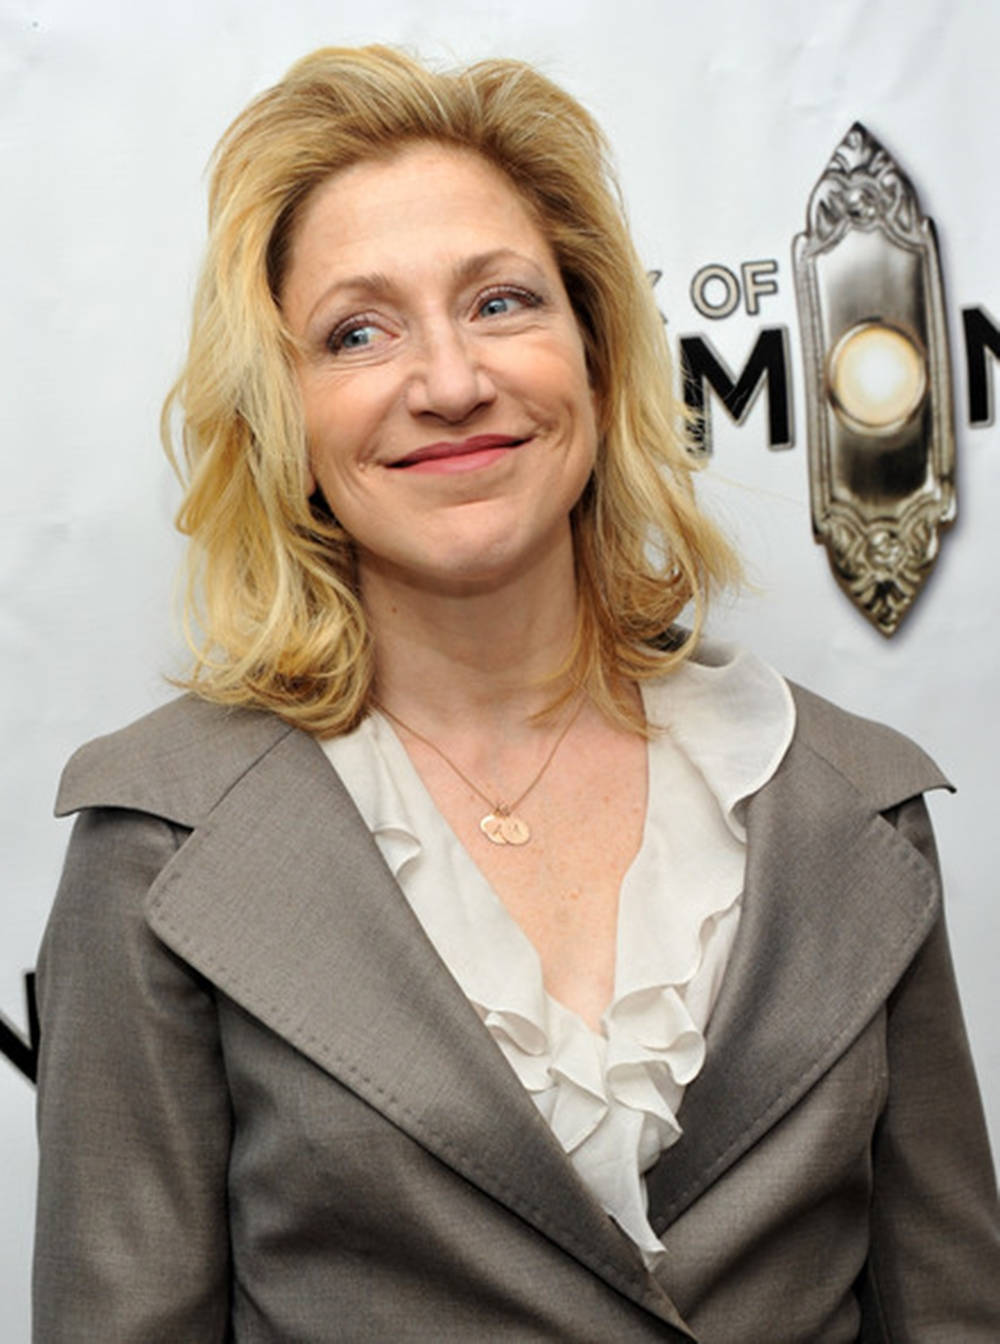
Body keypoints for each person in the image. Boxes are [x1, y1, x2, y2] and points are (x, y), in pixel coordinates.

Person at [32, 44, 1000, 1343]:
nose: (448, 381)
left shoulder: (851, 805)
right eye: (357, 331)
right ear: (287, 421)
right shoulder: (161, 848)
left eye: (499, 303)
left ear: (597, 361)